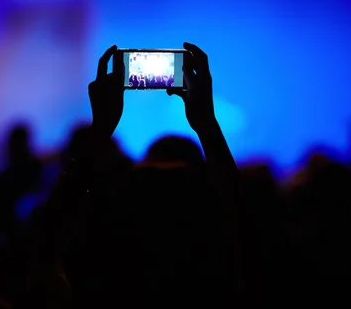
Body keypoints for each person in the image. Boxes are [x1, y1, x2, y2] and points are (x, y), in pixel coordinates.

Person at [20, 43, 246, 308]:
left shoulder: (101, 268)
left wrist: (100, 129)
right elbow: (243, 223)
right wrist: (207, 125)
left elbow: (47, 239)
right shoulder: (217, 263)